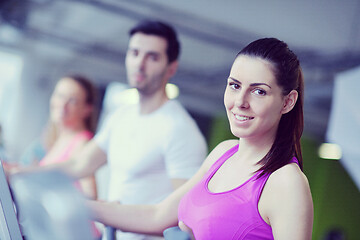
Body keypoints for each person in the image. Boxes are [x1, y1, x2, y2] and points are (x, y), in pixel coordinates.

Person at [87, 38, 314, 240]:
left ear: (287, 102)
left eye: (259, 91)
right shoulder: (223, 153)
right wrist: (82, 207)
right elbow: (157, 216)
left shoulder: (286, 182)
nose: (240, 102)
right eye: (234, 86)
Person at [10, 20, 208, 240]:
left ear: (171, 68)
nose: (139, 64)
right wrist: (16, 172)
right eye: (134, 53)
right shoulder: (122, 115)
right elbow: (79, 164)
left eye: (152, 57)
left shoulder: (180, 129)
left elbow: (184, 215)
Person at [20, 74, 99, 199]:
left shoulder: (82, 143)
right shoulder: (61, 139)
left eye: (72, 100)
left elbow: (91, 197)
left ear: (86, 109)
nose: (63, 105)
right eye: (60, 96)